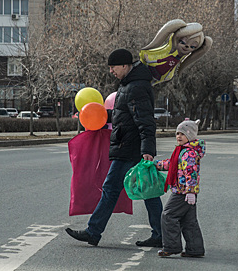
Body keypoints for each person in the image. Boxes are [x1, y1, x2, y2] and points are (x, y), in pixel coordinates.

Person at [65, 48, 163, 247]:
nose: (111, 71)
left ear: (125, 65)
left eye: (113, 67)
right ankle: (161, 234)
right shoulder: (129, 85)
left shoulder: (135, 87)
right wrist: (102, 118)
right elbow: (124, 116)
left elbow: (145, 121)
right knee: (147, 190)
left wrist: (148, 150)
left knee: (114, 188)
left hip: (129, 148)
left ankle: (94, 231)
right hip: (128, 145)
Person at [155, 119, 206, 257]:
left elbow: (191, 173)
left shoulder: (188, 153)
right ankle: (195, 249)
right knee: (188, 221)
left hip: (183, 192)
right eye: (177, 133)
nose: (178, 136)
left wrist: (190, 191)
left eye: (182, 134)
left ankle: (171, 247)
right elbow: (171, 164)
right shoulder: (182, 151)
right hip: (185, 191)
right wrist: (156, 165)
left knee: (168, 215)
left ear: (189, 136)